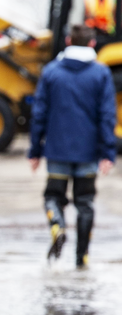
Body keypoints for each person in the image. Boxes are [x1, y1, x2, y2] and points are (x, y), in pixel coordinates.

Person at [28, 24, 117, 268]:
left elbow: (39, 113)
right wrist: (108, 151)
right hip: (88, 151)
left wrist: (35, 150)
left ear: (67, 41)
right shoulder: (100, 74)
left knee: (53, 196)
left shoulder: (51, 72)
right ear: (91, 44)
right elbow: (107, 115)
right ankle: (82, 257)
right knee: (85, 202)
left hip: (57, 149)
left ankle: (57, 224)